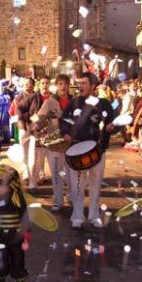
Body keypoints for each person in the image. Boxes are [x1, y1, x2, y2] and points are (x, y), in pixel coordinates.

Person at [59, 72, 114, 229]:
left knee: (95, 185)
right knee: (77, 187)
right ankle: (77, 217)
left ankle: (94, 216)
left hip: (98, 149)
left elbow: (111, 123)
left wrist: (112, 128)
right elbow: (64, 120)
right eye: (79, 83)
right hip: (76, 150)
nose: (80, 86)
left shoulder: (103, 104)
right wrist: (65, 132)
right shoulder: (73, 103)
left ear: (92, 86)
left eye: (84, 83)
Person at [35, 74, 71, 212]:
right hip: (54, 144)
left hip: (70, 145)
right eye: (60, 84)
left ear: (69, 86)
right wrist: (35, 125)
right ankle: (58, 200)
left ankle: (70, 196)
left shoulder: (74, 102)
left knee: (70, 175)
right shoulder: (49, 102)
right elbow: (39, 117)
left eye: (66, 84)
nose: (63, 86)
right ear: (57, 86)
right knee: (56, 174)